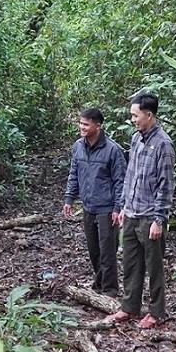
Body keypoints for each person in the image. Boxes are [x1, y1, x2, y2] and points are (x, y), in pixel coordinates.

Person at [105, 92, 176, 328]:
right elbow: (130, 175)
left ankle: (156, 312)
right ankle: (130, 307)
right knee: (131, 263)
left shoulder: (163, 144)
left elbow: (166, 185)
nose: (133, 119)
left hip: (149, 216)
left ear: (149, 115)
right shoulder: (136, 139)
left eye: (135, 115)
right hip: (132, 212)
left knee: (154, 267)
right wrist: (124, 206)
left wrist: (159, 219)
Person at [63, 108, 127, 297]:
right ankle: (99, 284)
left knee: (108, 251)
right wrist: (69, 198)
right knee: (94, 250)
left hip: (107, 208)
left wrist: (118, 207)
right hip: (88, 206)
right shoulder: (78, 147)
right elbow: (74, 174)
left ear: (97, 126)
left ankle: (110, 290)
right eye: (80, 123)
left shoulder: (112, 150)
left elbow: (120, 181)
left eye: (86, 124)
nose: (81, 127)